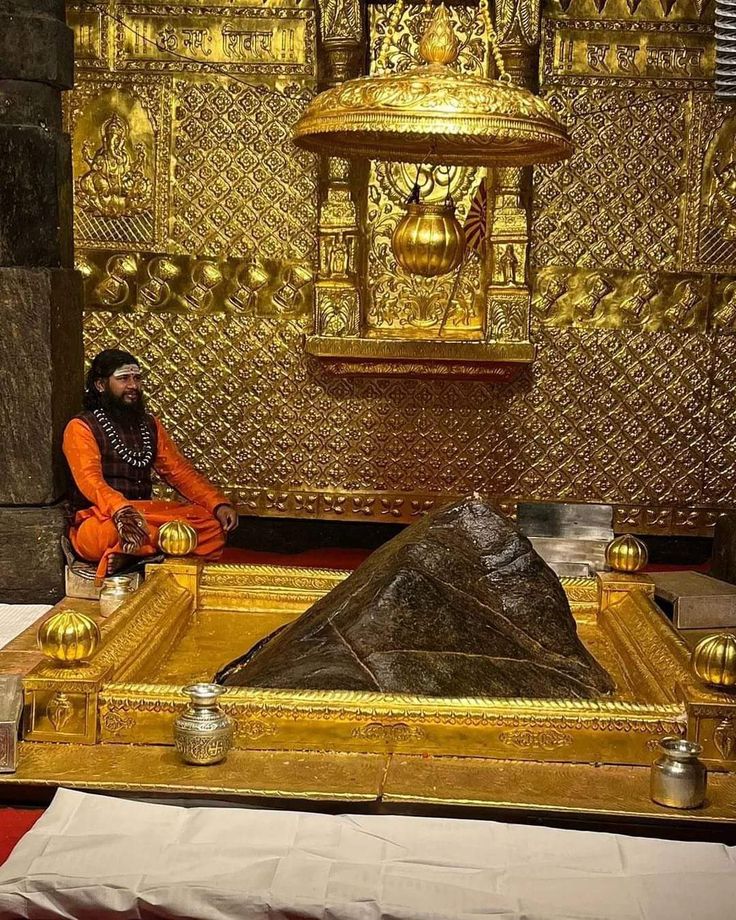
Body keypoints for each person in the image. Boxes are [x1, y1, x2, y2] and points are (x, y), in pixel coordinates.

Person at [63, 348, 238, 580]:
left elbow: (178, 471)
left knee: (211, 527)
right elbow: (90, 480)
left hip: (146, 514)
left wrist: (217, 504)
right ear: (100, 385)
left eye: (137, 378)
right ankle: (151, 550)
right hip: (104, 516)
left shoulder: (149, 425)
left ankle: (136, 554)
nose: (133, 386)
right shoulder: (81, 427)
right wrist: (121, 510)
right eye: (124, 379)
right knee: (98, 536)